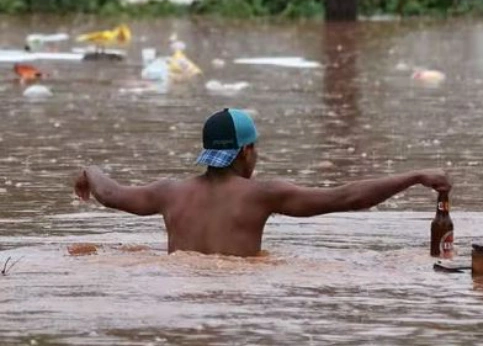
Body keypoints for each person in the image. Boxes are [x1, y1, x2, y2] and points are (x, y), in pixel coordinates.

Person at [72, 108, 452, 257]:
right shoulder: (262, 195)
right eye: (255, 149)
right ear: (245, 152)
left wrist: (89, 170)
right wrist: (414, 176)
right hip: (240, 297)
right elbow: (347, 198)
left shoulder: (169, 192)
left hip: (180, 292)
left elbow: (110, 194)